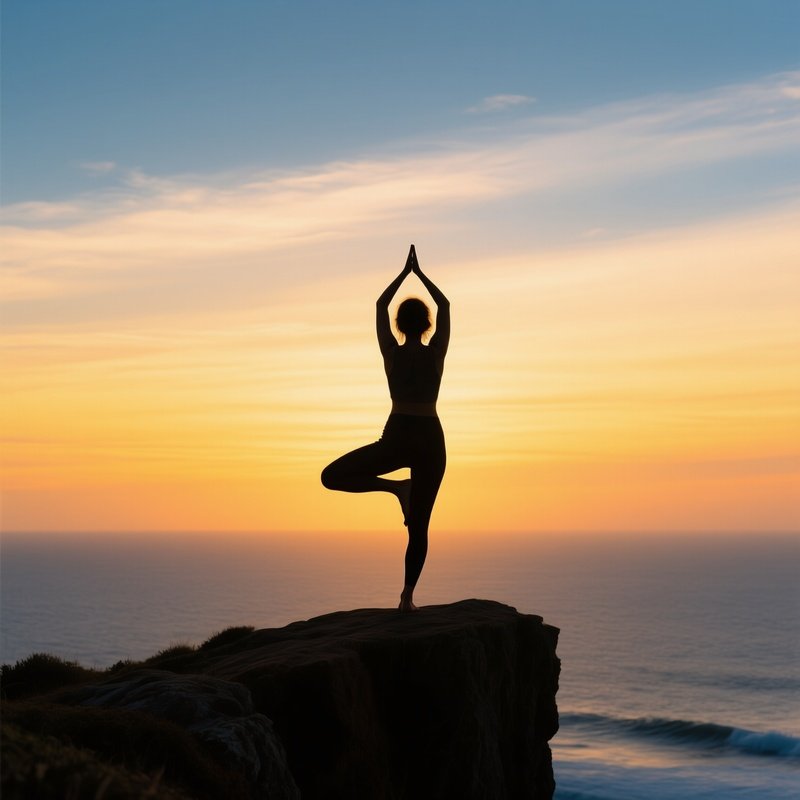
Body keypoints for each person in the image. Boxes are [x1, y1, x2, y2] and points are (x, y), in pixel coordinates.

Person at [321, 244, 450, 611]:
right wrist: (421, 275)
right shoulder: (436, 354)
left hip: (397, 436)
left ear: (398, 324)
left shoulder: (391, 354)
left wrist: (404, 274)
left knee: (331, 477)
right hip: (429, 439)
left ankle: (395, 487)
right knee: (419, 527)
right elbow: (446, 307)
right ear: (427, 325)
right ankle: (407, 597)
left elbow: (380, 306)